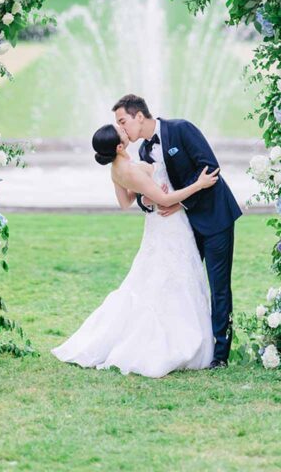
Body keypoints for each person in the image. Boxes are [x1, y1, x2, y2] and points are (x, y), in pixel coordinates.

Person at [50, 120, 218, 377]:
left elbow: (125, 202)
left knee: (155, 278)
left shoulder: (117, 168)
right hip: (167, 224)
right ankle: (174, 341)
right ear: (118, 146)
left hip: (154, 226)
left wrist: (145, 196)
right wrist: (198, 185)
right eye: (120, 132)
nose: (125, 131)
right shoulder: (128, 167)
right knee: (174, 277)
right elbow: (165, 200)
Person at [113, 94, 242, 368]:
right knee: (186, 285)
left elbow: (209, 167)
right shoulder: (143, 153)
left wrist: (180, 202)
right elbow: (141, 194)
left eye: (123, 121)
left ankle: (220, 355)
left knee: (219, 288)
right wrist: (148, 201)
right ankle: (189, 345)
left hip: (214, 217)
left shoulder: (181, 129)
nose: (122, 129)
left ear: (139, 116)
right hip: (182, 228)